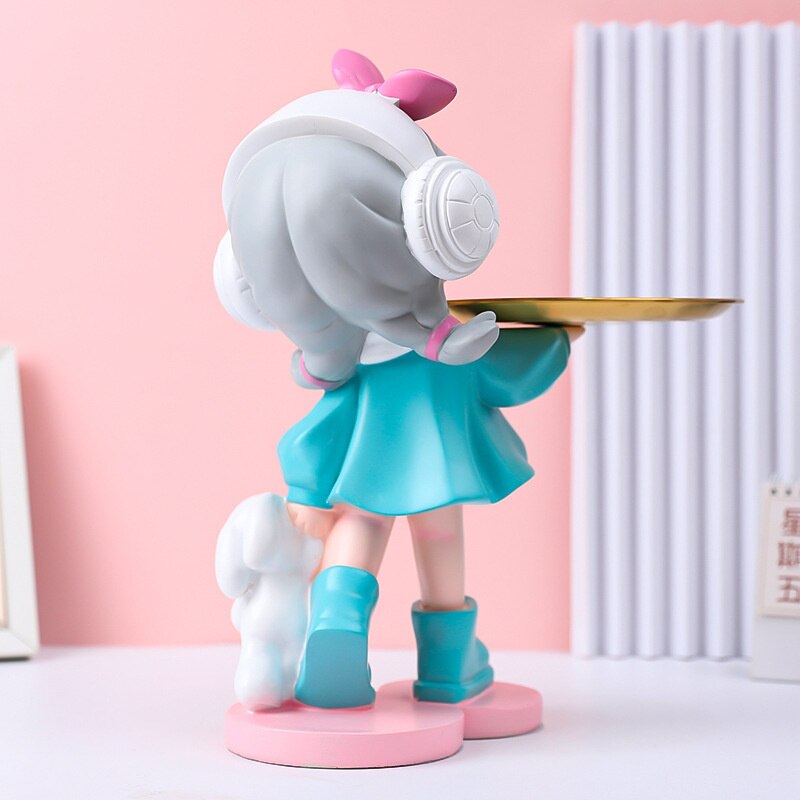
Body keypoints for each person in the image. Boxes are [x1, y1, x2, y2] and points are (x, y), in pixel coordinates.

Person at [215, 49, 581, 710]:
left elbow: (319, 433)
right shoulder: (451, 353)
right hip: (442, 465)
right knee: (440, 538)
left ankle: (338, 619)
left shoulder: (344, 365)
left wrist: (305, 488)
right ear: (433, 219)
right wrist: (558, 339)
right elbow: (510, 372)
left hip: (363, 478)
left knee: (361, 525)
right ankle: (449, 663)